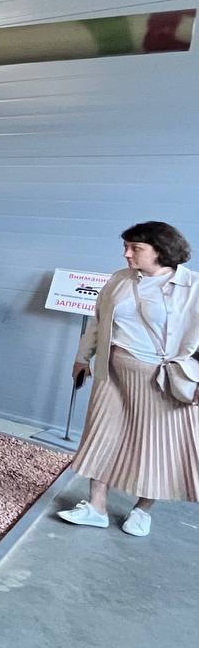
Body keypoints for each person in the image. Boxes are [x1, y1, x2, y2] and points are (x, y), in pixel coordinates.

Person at [60, 221, 199, 537]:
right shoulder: (119, 279)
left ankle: (142, 510)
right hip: (112, 374)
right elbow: (98, 323)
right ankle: (96, 506)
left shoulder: (193, 287)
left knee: (158, 446)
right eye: (125, 247)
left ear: (161, 250)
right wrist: (82, 357)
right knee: (102, 435)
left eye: (135, 248)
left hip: (164, 380)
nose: (126, 254)